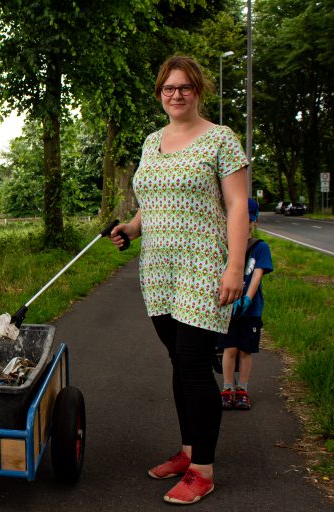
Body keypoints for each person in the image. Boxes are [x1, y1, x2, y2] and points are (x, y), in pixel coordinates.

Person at [109, 55, 249, 505]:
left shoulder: (221, 139)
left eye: (184, 87)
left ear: (198, 91)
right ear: (160, 93)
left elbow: (238, 206)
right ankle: (189, 451)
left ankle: (203, 471)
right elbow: (153, 199)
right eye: (168, 88)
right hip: (159, 269)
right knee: (177, 360)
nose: (176, 95)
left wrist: (234, 266)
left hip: (204, 265)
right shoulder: (153, 142)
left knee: (191, 364)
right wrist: (132, 227)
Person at [219, 198, 273, 411]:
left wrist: (248, 298)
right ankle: (227, 388)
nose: (243, 225)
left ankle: (242, 389)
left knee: (245, 350)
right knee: (228, 348)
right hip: (227, 308)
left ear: (254, 221)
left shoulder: (260, 248)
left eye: (247, 221)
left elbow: (257, 274)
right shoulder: (224, 246)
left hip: (251, 311)